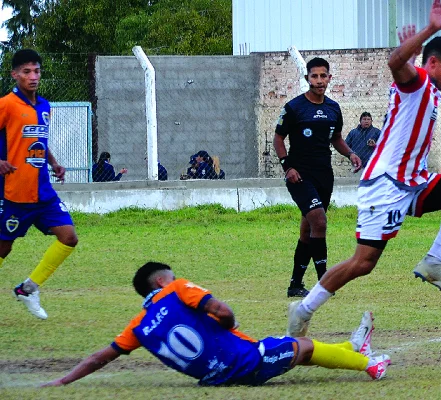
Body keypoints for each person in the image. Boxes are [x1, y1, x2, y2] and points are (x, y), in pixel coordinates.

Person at [287, 0, 441, 338]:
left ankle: (434, 263)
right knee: (362, 264)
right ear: (432, 63)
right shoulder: (419, 82)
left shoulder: (427, 87)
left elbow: (402, 68)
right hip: (386, 184)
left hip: (413, 181)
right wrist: (429, 30)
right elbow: (395, 63)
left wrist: (409, 54)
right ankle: (302, 309)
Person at [41, 262, 391, 387]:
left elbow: (100, 357)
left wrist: (63, 379)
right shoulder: (177, 290)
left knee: (290, 350)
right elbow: (222, 312)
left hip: (215, 377)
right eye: (171, 277)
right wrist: (229, 323)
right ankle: (368, 365)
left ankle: (351, 349)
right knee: (303, 345)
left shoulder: (138, 328)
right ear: (161, 282)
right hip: (245, 363)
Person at [273, 57, 362, 298]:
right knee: (319, 222)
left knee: (308, 230)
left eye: (323, 76)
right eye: (314, 76)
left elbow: (337, 139)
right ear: (307, 79)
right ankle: (325, 283)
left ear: (329, 78)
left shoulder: (333, 108)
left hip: (324, 175)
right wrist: (287, 167)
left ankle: (295, 285)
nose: (319, 81)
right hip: (299, 175)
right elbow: (278, 139)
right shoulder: (294, 108)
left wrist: (351, 153)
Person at [0, 49, 79, 320]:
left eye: (36, 71)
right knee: (3, 248)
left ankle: (28, 289)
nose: (33, 77)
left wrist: (54, 163)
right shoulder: (6, 104)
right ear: (14, 74)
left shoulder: (45, 106)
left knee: (69, 238)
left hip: (43, 192)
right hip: (13, 193)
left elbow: (38, 143)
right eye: (26, 72)